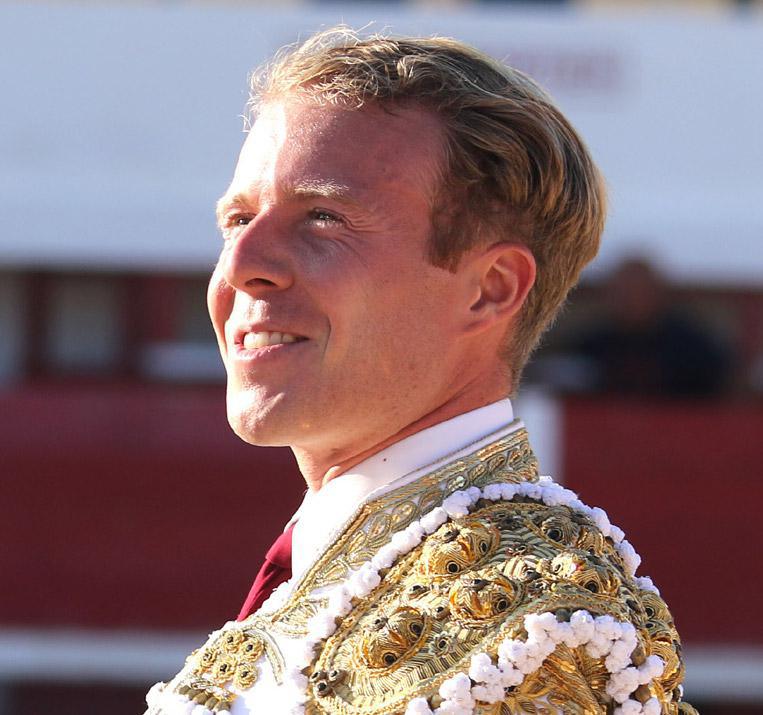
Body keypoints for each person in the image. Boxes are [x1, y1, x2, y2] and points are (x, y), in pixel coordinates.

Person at [145, 29, 694, 714]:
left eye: (322, 217)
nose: (240, 265)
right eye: (237, 218)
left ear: (488, 288)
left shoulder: (532, 634)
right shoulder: (329, 574)